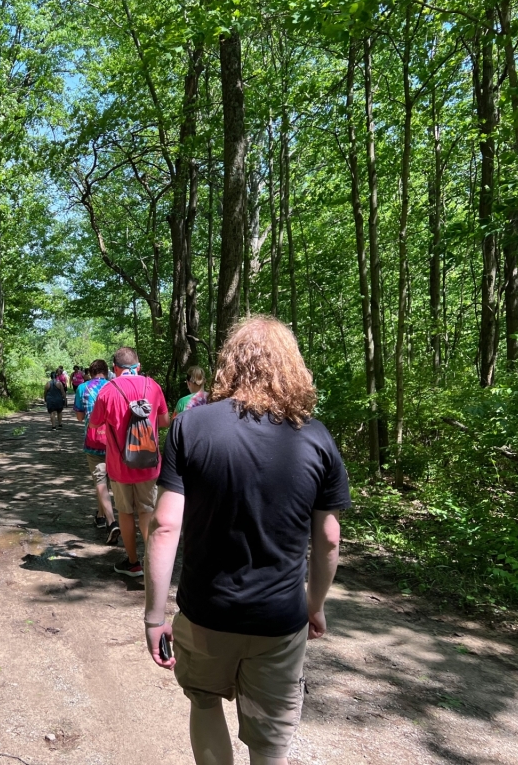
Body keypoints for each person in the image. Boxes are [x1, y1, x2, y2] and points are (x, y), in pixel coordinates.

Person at [143, 316, 349, 765]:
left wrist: (154, 617)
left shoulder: (190, 427)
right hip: (279, 620)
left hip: (205, 613)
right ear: (292, 367)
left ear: (229, 364)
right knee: (269, 740)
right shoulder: (315, 438)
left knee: (203, 701)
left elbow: (164, 527)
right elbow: (329, 539)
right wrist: (314, 605)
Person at [88, 346, 169, 577]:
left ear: (115, 368)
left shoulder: (107, 390)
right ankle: (154, 566)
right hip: (149, 462)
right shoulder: (152, 385)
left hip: (120, 465)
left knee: (125, 513)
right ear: (138, 366)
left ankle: (133, 563)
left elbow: (94, 424)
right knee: (147, 511)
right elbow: (164, 421)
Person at [74, 359, 119, 542]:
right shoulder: (114, 386)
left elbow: (79, 417)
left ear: (91, 372)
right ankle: (101, 516)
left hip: (93, 441)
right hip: (115, 442)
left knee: (100, 481)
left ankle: (111, 521)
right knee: (112, 481)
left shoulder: (82, 388)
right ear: (107, 372)